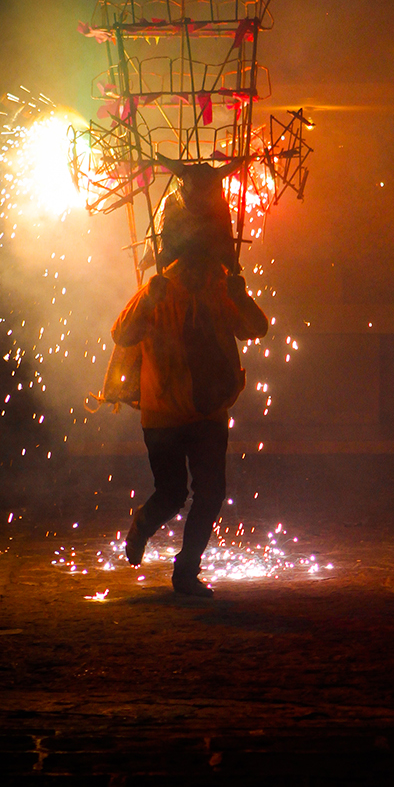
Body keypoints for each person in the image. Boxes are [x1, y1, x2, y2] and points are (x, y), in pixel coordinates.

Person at [111, 203, 269, 597]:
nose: (200, 266)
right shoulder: (160, 287)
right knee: (172, 492)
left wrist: (242, 297)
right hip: (163, 411)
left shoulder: (222, 287)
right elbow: (122, 336)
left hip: (210, 410)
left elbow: (256, 330)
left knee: (211, 492)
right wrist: (148, 300)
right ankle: (144, 524)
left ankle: (186, 572)